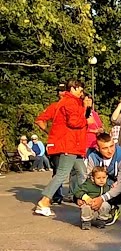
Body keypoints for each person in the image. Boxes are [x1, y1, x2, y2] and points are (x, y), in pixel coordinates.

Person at [33, 79, 90, 217]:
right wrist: (86, 116)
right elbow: (74, 122)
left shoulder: (59, 104)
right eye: (80, 90)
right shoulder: (71, 102)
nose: (82, 93)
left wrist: (51, 134)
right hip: (69, 144)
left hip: (71, 145)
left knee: (82, 172)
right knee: (63, 173)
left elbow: (40, 119)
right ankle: (44, 201)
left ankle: (85, 199)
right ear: (73, 89)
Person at [86, 132, 121, 228]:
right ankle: (110, 208)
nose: (110, 151)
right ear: (97, 148)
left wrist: (102, 199)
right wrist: (82, 197)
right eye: (105, 148)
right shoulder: (93, 157)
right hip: (102, 188)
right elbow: (88, 178)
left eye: (112, 146)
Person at [73, 165, 113, 230]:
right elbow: (77, 191)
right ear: (92, 178)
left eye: (104, 177)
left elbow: (110, 195)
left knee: (106, 205)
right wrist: (85, 198)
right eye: (98, 178)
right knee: (86, 207)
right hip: (89, 202)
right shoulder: (88, 185)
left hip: (100, 204)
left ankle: (101, 220)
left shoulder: (107, 186)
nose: (101, 180)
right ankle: (86, 221)